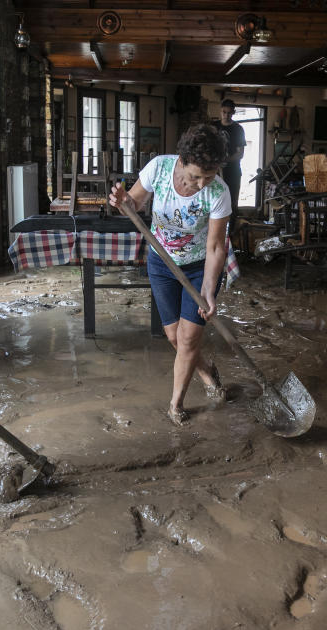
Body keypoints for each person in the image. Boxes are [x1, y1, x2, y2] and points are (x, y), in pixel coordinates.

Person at [108, 124, 229, 426]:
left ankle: (176, 404)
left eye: (209, 176)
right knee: (175, 337)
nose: (202, 183)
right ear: (183, 159)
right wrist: (124, 202)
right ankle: (206, 370)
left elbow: (215, 247)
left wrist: (210, 292)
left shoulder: (219, 192)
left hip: (200, 267)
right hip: (162, 263)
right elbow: (133, 206)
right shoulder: (159, 169)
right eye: (195, 176)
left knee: (188, 339)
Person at [213, 99, 246, 231]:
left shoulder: (238, 129)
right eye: (224, 112)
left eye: (229, 113)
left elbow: (240, 154)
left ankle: (230, 233)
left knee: (231, 203)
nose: (226, 115)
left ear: (233, 112)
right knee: (215, 201)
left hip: (233, 172)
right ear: (220, 111)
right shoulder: (213, 127)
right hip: (214, 172)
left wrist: (226, 159)